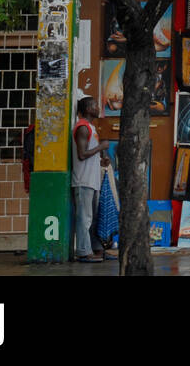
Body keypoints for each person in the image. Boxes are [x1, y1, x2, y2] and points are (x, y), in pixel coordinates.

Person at [71, 96, 111, 263]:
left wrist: (101, 159)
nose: (97, 107)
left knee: (92, 218)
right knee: (84, 218)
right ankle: (83, 251)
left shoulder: (90, 127)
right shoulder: (82, 128)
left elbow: (89, 155)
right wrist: (101, 147)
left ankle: (95, 250)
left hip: (91, 180)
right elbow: (81, 155)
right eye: (95, 105)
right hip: (83, 180)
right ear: (87, 109)